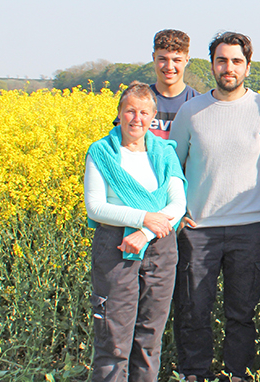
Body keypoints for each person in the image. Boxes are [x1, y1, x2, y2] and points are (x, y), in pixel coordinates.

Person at [169, 31, 260, 382]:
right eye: (222, 60)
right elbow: (172, 170)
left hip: (249, 230)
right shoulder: (191, 111)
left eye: (236, 61)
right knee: (194, 310)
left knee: (242, 313)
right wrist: (178, 216)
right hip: (199, 229)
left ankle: (238, 374)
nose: (229, 67)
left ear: (248, 67)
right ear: (211, 65)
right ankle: (194, 374)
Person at [84, 82, 187, 382]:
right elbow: (95, 207)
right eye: (130, 111)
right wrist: (143, 217)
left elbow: (177, 204)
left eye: (144, 112)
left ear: (153, 116)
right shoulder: (101, 152)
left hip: (159, 247)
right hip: (116, 245)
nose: (136, 118)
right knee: (113, 337)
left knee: (149, 338)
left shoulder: (165, 152)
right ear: (119, 113)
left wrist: (145, 231)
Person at [113, 30, 201, 138]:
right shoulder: (137, 98)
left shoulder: (198, 103)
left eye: (176, 60)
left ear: (187, 60)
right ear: (154, 58)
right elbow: (119, 142)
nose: (169, 67)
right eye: (163, 59)